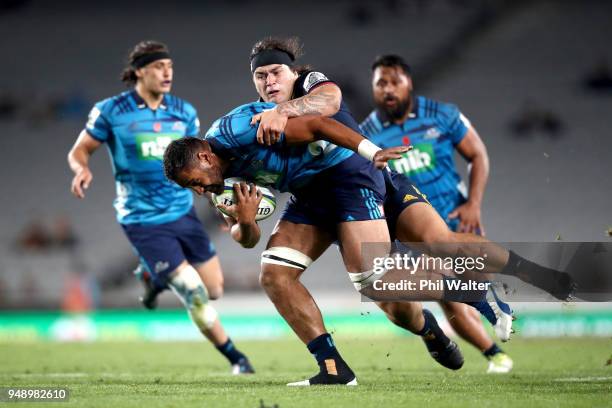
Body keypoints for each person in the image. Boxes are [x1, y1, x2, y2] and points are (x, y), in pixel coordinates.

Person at [163, 100, 575, 386]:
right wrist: (248, 222)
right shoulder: (220, 186)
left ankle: (490, 288)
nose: (200, 192)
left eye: (194, 183)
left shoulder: (244, 128)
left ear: (203, 158)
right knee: (279, 275)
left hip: (350, 175)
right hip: (314, 196)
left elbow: (322, 120)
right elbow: (245, 238)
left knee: (413, 259)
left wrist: (371, 150)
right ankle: (358, 358)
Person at [247, 37, 511, 373]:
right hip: (319, 201)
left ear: (292, 71)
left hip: (368, 183)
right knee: (387, 302)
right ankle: (423, 331)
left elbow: (330, 99)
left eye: (276, 72)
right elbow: (250, 219)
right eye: (261, 76)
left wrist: (283, 109)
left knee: (438, 245)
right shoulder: (253, 120)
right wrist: (245, 219)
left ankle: (482, 291)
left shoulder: (310, 82)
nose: (269, 81)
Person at [67, 40, 254, 374]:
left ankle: (152, 277)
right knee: (194, 291)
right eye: (158, 67)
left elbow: (201, 167)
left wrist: (218, 204)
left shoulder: (183, 112)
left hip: (183, 212)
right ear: (139, 71)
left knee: (214, 289)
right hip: (142, 219)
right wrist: (82, 167)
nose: (167, 72)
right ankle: (236, 357)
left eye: (169, 66)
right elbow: (80, 149)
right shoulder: (111, 111)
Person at [360, 54, 512, 373]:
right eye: (380, 83)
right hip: (410, 229)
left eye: (394, 81)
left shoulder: (442, 115)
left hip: (453, 218)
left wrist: (474, 203)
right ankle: (494, 354)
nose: (388, 89)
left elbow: (477, 154)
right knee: (449, 297)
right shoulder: (366, 134)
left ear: (408, 82)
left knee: (472, 283)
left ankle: (497, 319)